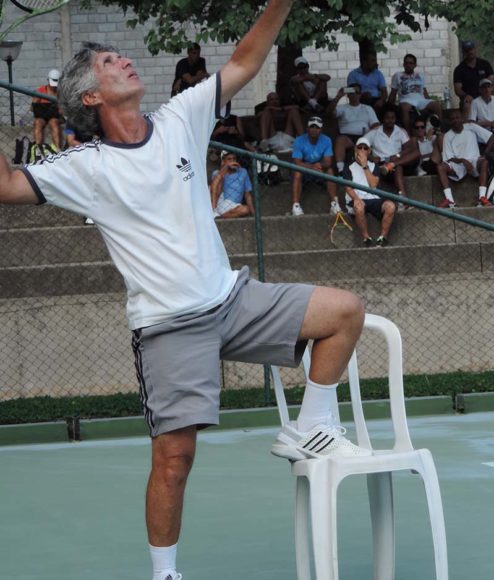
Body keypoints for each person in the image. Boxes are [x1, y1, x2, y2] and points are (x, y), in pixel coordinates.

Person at [0, 3, 370, 579]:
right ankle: (165, 574)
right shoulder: (84, 166)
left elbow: (245, 61)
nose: (123, 60)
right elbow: (5, 185)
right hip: (169, 326)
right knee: (174, 459)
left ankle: (311, 428)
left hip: (233, 300)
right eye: (108, 62)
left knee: (344, 312)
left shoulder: (180, 116)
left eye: (117, 55)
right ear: (91, 97)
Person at [437, 109, 494, 208]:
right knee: (440, 167)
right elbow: (449, 158)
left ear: (462, 118)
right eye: (452, 119)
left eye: (457, 117)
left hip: (474, 160)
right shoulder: (447, 135)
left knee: (484, 162)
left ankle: (482, 197)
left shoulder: (471, 127)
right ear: (450, 121)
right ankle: (450, 200)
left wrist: (485, 154)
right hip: (458, 164)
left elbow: (492, 137)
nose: (455, 120)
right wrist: (463, 161)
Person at [343, 137, 396, 247]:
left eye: (365, 148)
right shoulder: (348, 166)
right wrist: (356, 199)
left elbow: (373, 185)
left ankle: (382, 237)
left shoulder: (373, 166)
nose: (362, 150)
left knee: (390, 206)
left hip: (373, 198)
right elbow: (348, 188)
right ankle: (366, 238)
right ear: (355, 149)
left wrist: (365, 166)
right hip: (357, 198)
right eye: (360, 147)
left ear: (369, 151)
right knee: (359, 206)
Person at [364, 106, 420, 205]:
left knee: (416, 153)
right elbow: (359, 147)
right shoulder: (374, 132)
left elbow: (409, 148)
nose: (390, 120)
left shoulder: (400, 131)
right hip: (383, 165)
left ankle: (392, 164)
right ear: (382, 119)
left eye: (393, 118)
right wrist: (371, 158)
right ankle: (404, 200)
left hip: (399, 161)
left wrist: (398, 155)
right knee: (398, 167)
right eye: (387, 118)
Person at [290, 116, 340, 216]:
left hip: (319, 169)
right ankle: (296, 206)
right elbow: (297, 163)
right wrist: (312, 167)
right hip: (305, 169)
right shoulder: (299, 140)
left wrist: (320, 165)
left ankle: (334, 204)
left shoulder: (326, 140)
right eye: (312, 127)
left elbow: (328, 162)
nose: (314, 129)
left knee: (330, 171)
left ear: (321, 129)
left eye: (317, 127)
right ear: (307, 128)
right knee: (297, 172)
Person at [328, 83, 380, 175]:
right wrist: (338, 96)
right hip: (347, 138)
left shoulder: (368, 108)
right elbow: (330, 112)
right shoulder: (343, 108)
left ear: (360, 94)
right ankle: (341, 170)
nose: (354, 94)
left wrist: (368, 134)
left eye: (357, 92)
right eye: (352, 92)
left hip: (364, 137)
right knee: (340, 140)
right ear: (348, 94)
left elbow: (376, 125)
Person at [389, 54, 442, 134]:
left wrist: (430, 101)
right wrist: (389, 106)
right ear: (403, 64)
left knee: (436, 105)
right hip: (406, 100)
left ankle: (440, 130)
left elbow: (424, 91)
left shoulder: (421, 75)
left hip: (421, 100)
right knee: (404, 107)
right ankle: (408, 134)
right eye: (406, 63)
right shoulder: (397, 75)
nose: (408, 65)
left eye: (410, 63)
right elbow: (393, 92)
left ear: (415, 65)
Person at [453, 40, 494, 117]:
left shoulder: (485, 64)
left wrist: (490, 95)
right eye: (467, 50)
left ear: (475, 49)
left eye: (471, 49)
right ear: (463, 52)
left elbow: (492, 82)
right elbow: (457, 90)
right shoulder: (459, 69)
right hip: (469, 98)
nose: (470, 52)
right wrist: (466, 95)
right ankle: (467, 124)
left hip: (485, 95)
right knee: (467, 105)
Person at [210, 151, 255, 218]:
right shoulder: (217, 173)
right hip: (220, 203)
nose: (232, 161)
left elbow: (247, 194)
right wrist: (225, 167)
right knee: (219, 179)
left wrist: (253, 214)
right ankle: (214, 211)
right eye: (229, 159)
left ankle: (221, 217)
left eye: (234, 159)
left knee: (245, 209)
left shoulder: (243, 172)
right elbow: (213, 188)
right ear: (223, 161)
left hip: (235, 206)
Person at [31, 69, 62, 151]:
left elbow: (63, 110)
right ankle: (38, 149)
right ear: (48, 80)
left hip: (55, 117)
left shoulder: (60, 92)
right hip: (42, 116)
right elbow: (32, 109)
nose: (54, 86)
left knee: (54, 122)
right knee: (38, 122)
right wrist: (35, 102)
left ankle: (57, 149)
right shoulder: (40, 90)